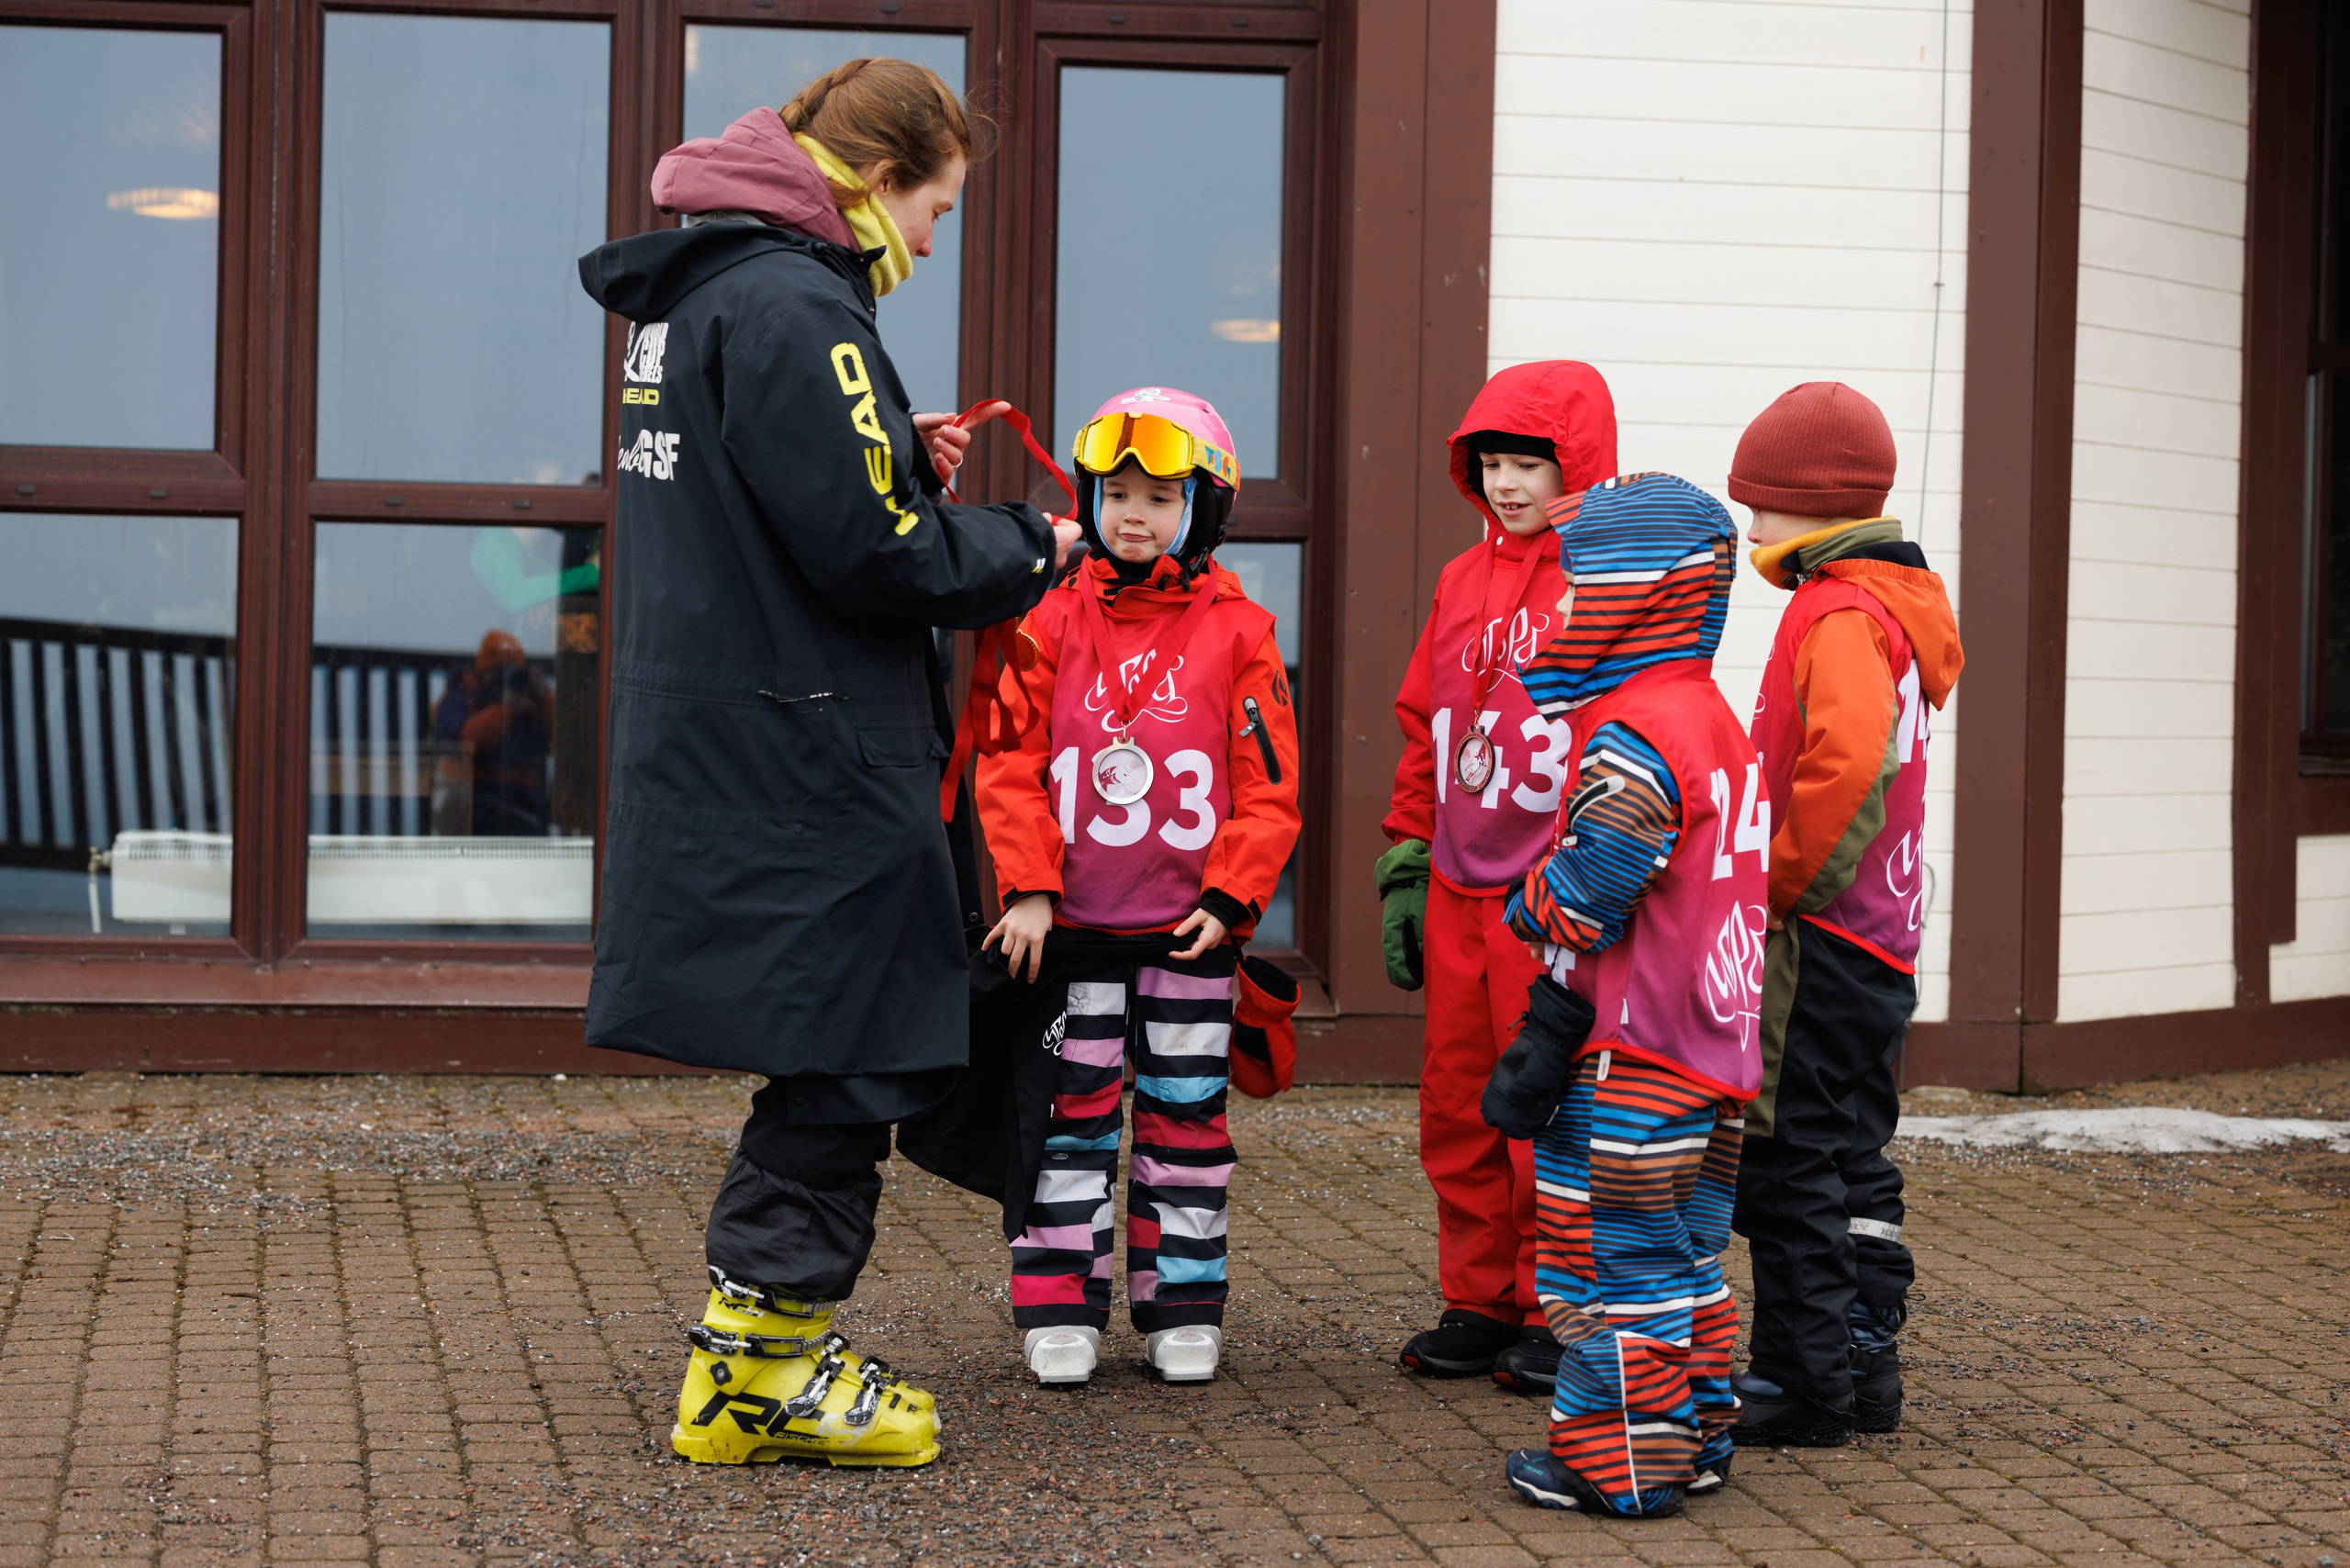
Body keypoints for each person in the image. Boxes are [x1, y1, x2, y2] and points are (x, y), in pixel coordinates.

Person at [576, 58, 1080, 1469]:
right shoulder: (802, 303)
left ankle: (758, 1355)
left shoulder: (698, 294)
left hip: (730, 733)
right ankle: (759, 1373)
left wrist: (891, 459)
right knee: (861, 1036)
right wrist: (1022, 548)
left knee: (833, 1034)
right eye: (938, 207)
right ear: (871, 179)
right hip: (809, 748)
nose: (933, 240)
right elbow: (880, 555)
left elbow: (777, 492)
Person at [975, 387, 1300, 1388]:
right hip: (1068, 932)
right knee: (1067, 1127)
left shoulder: (1241, 632)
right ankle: (1058, 1305)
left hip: (1186, 933)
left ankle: (1183, 1304)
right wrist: (1026, 887)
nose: (1133, 514)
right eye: (1117, 492)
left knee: (1185, 1121)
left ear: (1202, 509)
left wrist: (1233, 896)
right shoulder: (1046, 618)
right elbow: (1007, 758)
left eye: (1160, 496)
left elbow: (1269, 784)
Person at [1494, 474, 1766, 1518]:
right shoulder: (1713, 718)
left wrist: (1527, 901)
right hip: (1709, 1050)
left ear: (1632, 594)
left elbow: (1592, 891)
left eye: (1576, 590)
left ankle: (1618, 1461)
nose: (1561, 613)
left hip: (1628, 1054)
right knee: (1686, 1253)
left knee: (1609, 1260)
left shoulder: (1635, 731)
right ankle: (1693, 1433)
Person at [1722, 383, 1963, 1448]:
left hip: (1818, 937)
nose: (1750, 526)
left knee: (1786, 1158)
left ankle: (1802, 1381)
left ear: (1815, 507)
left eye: (1763, 505)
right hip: (1882, 938)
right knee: (1855, 1156)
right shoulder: (1898, 601)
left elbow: (1848, 767)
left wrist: (1774, 887)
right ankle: (1864, 1361)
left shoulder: (1834, 610)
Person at [1382, 361, 1617, 1392]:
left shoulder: (1607, 581)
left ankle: (1551, 1303)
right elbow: (1423, 723)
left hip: (1548, 898)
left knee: (1549, 1106)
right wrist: (1404, 853)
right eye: (1491, 460)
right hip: (1458, 887)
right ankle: (1478, 1295)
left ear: (1580, 463)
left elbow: (1630, 733)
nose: (1507, 481)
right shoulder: (1458, 579)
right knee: (1460, 1100)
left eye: (1529, 460)